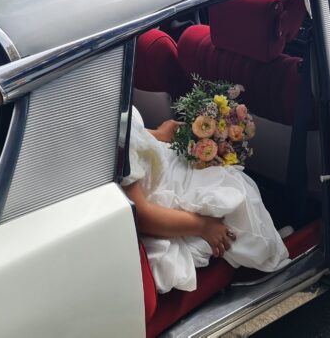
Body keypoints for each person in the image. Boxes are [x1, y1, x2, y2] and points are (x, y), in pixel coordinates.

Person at [121, 107, 290, 294]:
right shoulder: (111, 127)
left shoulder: (101, 109)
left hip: (157, 166)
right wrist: (203, 226)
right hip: (157, 192)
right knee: (230, 185)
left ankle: (261, 241)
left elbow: (128, 133)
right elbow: (140, 214)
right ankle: (263, 254)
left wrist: (157, 134)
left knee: (217, 174)